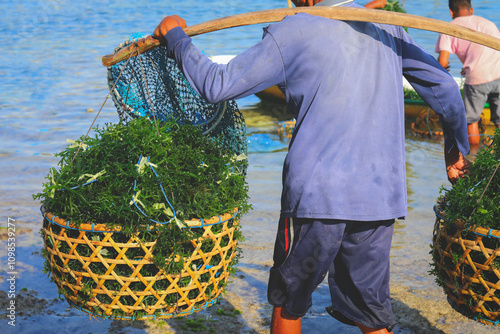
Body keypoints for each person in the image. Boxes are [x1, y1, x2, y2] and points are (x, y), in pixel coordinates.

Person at [153, 0, 470, 333]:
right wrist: (455, 148)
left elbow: (216, 85)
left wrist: (176, 36)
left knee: (288, 304)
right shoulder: (385, 25)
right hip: (379, 198)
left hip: (317, 198)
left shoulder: (294, 30)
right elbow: (446, 87)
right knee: (372, 314)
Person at [435, 0, 500, 148]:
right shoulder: (488, 23)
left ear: (451, 12)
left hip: (478, 78)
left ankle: (474, 154)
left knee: (471, 119)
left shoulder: (449, 28)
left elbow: (443, 63)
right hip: (499, 73)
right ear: (471, 10)